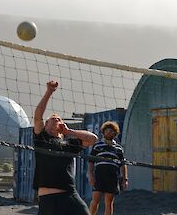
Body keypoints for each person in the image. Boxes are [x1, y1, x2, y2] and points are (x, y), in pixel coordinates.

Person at [33, 80, 98, 215]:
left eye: (59, 119)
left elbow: (93, 139)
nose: (57, 119)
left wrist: (69, 132)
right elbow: (38, 116)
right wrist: (49, 92)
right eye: (53, 118)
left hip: (69, 195)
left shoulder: (70, 144)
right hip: (48, 198)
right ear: (46, 124)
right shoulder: (41, 137)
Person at [88, 121, 128, 215]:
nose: (109, 132)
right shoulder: (98, 146)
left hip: (112, 177)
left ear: (115, 133)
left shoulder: (118, 149)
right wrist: (90, 175)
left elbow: (123, 164)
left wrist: (125, 179)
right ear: (103, 132)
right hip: (99, 176)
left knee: (109, 202)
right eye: (107, 130)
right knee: (95, 200)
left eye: (112, 131)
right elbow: (91, 162)